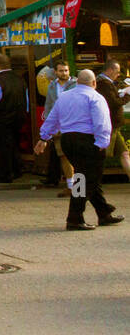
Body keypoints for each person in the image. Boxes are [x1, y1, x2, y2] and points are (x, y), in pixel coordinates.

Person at [37, 70, 123, 231]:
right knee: (86, 179)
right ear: (94, 83)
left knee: (85, 175)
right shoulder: (95, 97)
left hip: (68, 140)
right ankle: (74, 218)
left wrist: (43, 137)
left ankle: (103, 212)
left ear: (77, 82)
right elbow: (102, 122)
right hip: (88, 140)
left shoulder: (64, 97)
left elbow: (52, 118)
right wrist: (102, 143)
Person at [0, 53, 27, 183]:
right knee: (13, 145)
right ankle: (17, 170)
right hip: (19, 118)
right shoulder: (20, 79)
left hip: (1, 120)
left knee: (2, 148)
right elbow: (26, 100)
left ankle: (5, 175)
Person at [42, 63, 78, 194]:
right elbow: (49, 106)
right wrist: (48, 124)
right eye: (61, 71)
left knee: (75, 156)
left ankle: (78, 188)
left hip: (74, 125)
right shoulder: (52, 86)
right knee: (63, 156)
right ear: (56, 72)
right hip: (58, 125)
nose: (64, 73)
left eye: (66, 70)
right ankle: (71, 186)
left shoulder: (76, 85)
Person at [94, 61, 130, 183]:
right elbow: (113, 103)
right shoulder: (104, 83)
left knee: (124, 153)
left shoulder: (107, 83)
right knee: (102, 156)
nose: (118, 74)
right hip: (109, 125)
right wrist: (127, 96)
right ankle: (92, 181)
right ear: (109, 70)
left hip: (114, 125)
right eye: (117, 71)